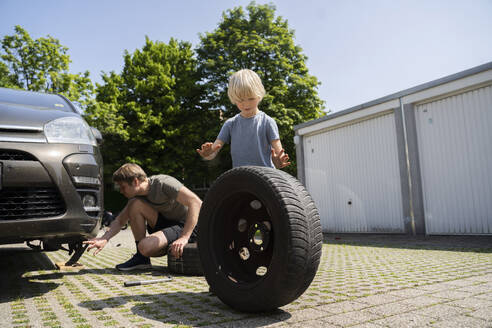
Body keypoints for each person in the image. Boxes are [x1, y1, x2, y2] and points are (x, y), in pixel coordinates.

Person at [84, 163, 202, 271]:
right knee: (134, 205)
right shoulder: (138, 197)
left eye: (122, 186)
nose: (120, 191)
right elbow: (120, 221)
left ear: (135, 181)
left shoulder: (163, 183)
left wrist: (184, 237)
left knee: (145, 246)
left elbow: (196, 202)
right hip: (168, 223)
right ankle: (142, 259)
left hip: (188, 226)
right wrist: (105, 238)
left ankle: (148, 250)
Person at [196, 69, 290, 169]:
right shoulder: (230, 124)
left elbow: (279, 155)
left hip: (265, 178)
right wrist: (208, 154)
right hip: (241, 177)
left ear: (259, 95)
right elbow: (213, 152)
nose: (246, 104)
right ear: (234, 98)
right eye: (240, 100)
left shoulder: (267, 122)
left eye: (251, 98)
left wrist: (279, 162)